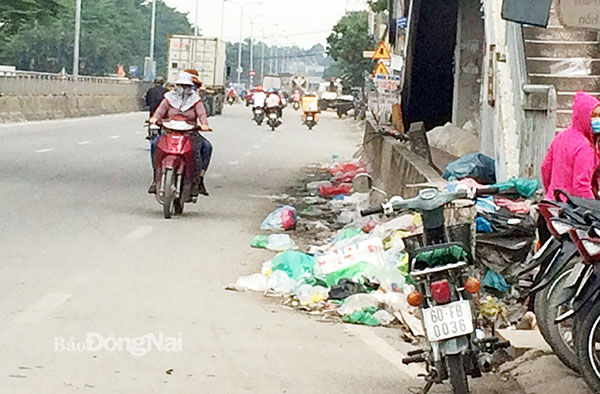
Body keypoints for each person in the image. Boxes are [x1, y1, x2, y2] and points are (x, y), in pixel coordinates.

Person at [539, 91, 600, 241]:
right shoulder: (585, 148)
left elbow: (545, 168)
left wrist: (551, 193)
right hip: (569, 213)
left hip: (550, 207)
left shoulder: (561, 136)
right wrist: (595, 212)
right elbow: (581, 186)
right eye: (594, 118)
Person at [148, 72, 211, 196]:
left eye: (186, 86)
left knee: (206, 147)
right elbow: (159, 111)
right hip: (169, 131)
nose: (183, 89)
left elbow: (202, 114)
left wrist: (204, 124)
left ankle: (198, 180)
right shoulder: (168, 98)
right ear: (176, 85)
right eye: (181, 85)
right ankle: (156, 178)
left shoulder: (195, 100)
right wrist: (154, 119)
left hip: (189, 134)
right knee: (155, 144)